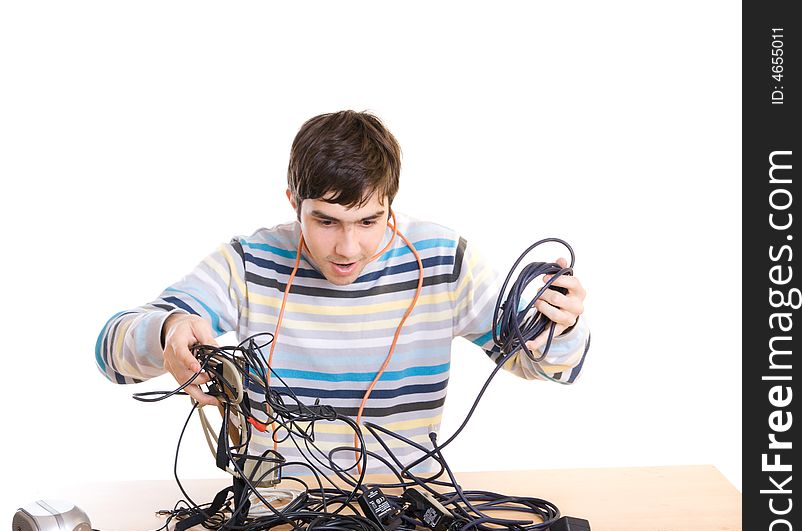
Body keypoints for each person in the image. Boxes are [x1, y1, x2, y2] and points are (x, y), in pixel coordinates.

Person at [95, 110, 590, 474]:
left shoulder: (443, 260)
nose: (348, 247)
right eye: (326, 221)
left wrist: (559, 325)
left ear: (391, 204)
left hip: (404, 512)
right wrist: (167, 331)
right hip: (279, 513)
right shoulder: (248, 263)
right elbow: (109, 352)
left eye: (368, 221)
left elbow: (539, 364)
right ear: (295, 204)